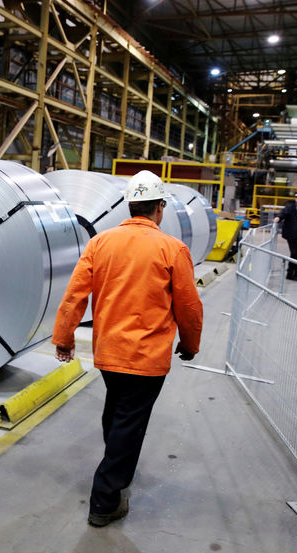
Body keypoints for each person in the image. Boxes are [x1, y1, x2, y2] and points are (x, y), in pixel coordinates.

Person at [52, 170, 203, 527]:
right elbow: (190, 307)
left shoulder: (100, 243)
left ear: (130, 205)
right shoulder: (172, 249)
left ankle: (116, 471)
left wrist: (64, 337)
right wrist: (190, 344)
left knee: (118, 415)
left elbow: (75, 295)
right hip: (147, 359)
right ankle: (104, 502)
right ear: (159, 208)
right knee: (128, 425)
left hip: (109, 353)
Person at [273, 189, 297, 281]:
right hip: (292, 235)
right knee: (294, 253)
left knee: (294, 254)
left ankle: (290, 273)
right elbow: (283, 213)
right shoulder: (290, 208)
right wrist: (278, 218)